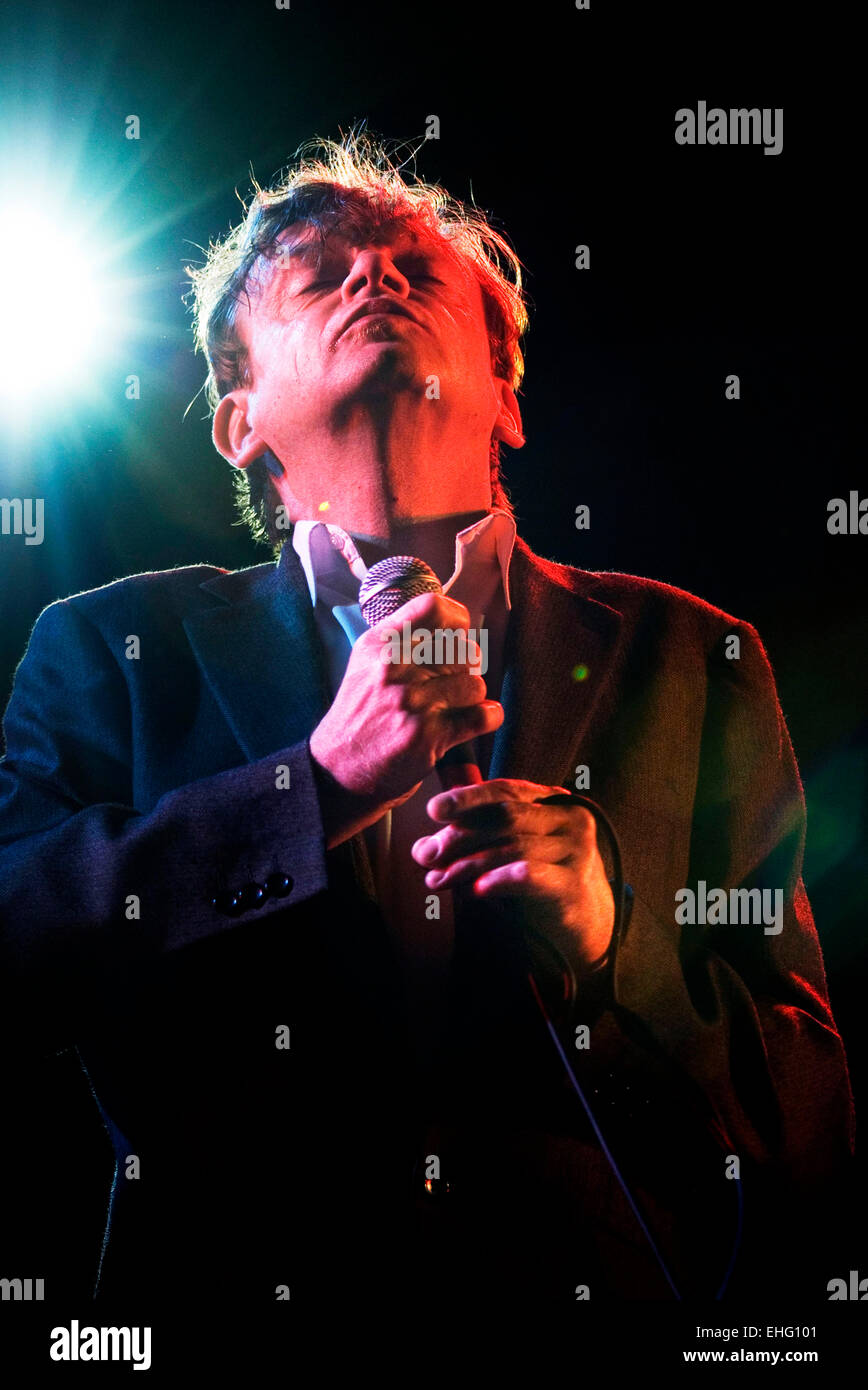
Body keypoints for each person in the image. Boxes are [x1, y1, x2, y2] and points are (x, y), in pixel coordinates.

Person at [0, 134, 854, 1308]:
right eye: (319, 272)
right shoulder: (106, 648)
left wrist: (616, 947)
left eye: (415, 270)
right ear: (236, 422)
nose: (375, 279)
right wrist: (315, 787)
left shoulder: (693, 657)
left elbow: (810, 1116)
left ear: (505, 396)